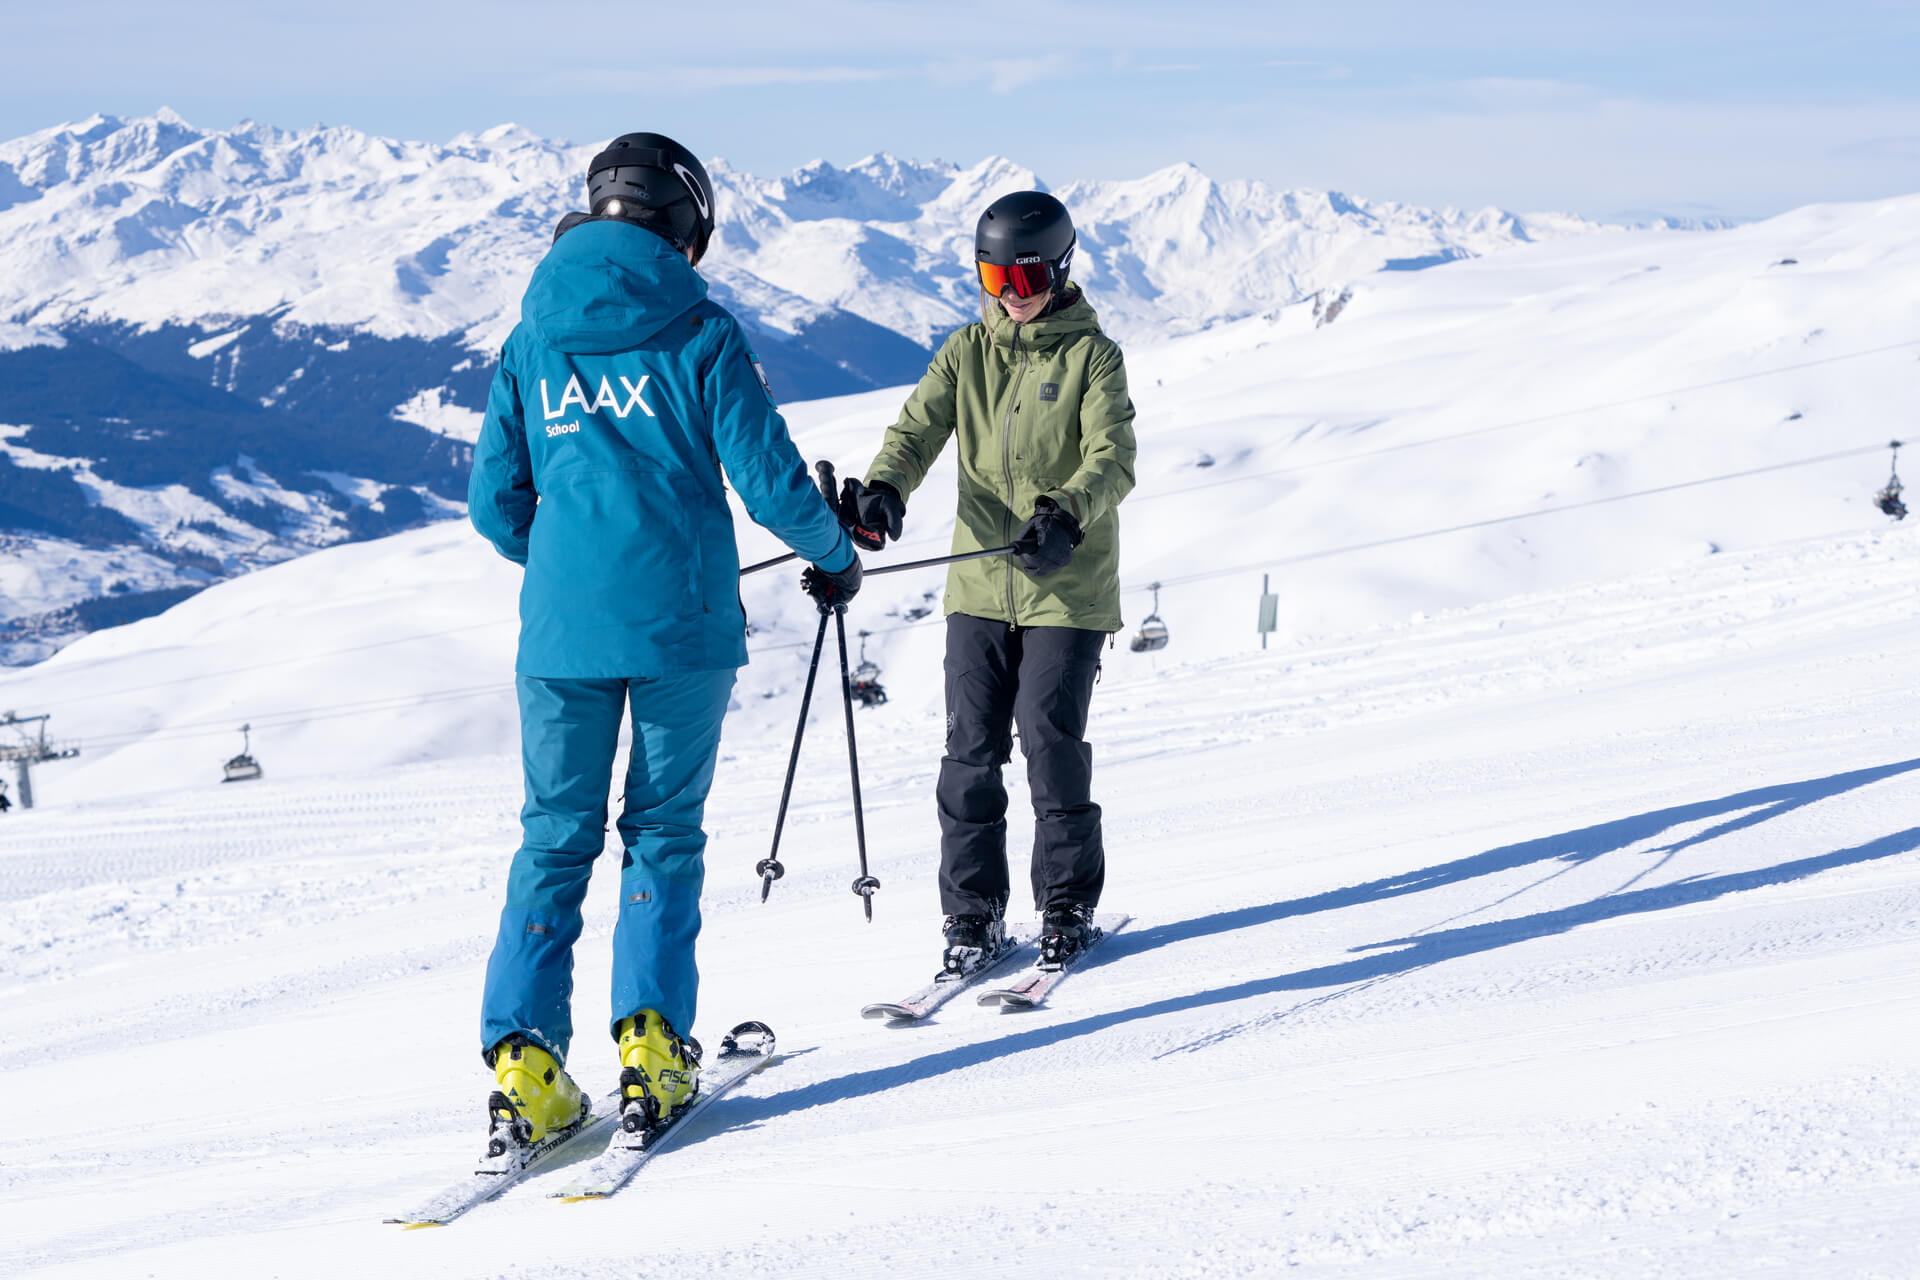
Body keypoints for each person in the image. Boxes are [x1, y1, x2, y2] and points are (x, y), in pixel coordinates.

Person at [467, 131, 861, 1156]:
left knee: (554, 837)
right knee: (662, 831)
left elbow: (493, 505)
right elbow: (772, 485)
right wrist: (836, 556)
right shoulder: (701, 330)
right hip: (681, 624)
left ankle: (524, 1066)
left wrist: (572, 565)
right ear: (688, 223)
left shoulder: (531, 337)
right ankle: (650, 1046)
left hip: (560, 634)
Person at [839, 190, 1136, 973]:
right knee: (969, 752)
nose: (1011, 294)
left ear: (1060, 269)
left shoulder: (1093, 358)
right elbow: (916, 430)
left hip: (1065, 586)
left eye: (1026, 277)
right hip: (979, 583)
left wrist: (1066, 513)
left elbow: (1113, 458)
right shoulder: (966, 352)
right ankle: (972, 915)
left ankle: (1066, 904)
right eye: (994, 278)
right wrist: (886, 487)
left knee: (1048, 741)